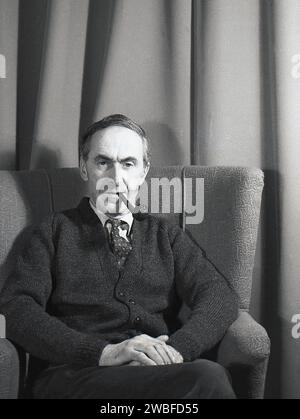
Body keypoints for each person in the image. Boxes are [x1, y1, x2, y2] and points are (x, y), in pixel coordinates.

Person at [0, 114, 238, 399]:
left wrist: (174, 351)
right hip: (77, 375)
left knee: (208, 377)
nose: (116, 178)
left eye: (128, 163)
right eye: (103, 163)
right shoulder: (53, 232)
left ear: (143, 171)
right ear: (84, 168)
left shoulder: (166, 236)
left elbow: (219, 298)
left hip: (156, 373)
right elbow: (17, 309)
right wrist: (104, 353)